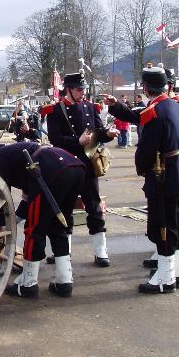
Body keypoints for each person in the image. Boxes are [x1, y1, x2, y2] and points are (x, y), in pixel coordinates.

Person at [106, 66, 179, 293]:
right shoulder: (175, 105)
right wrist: (116, 106)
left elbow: (146, 150)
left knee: (162, 228)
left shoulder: (155, 111)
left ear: (146, 87)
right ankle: (177, 273)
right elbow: (139, 117)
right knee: (175, 224)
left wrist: (142, 168)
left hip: (163, 176)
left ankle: (165, 280)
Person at [0, 142, 86, 298]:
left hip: (49, 170)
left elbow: (2, 198)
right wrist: (12, 223)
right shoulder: (15, 154)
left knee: (35, 229)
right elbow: (27, 201)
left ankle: (28, 283)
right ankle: (64, 282)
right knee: (58, 227)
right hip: (75, 167)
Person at [44, 69, 119, 267]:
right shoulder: (55, 110)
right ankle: (63, 251)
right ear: (68, 89)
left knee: (94, 207)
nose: (82, 93)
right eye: (79, 89)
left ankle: (100, 251)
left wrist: (107, 134)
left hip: (87, 165)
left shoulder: (89, 106)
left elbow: (97, 132)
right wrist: (77, 141)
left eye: (83, 89)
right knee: (65, 209)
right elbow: (55, 139)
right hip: (66, 166)